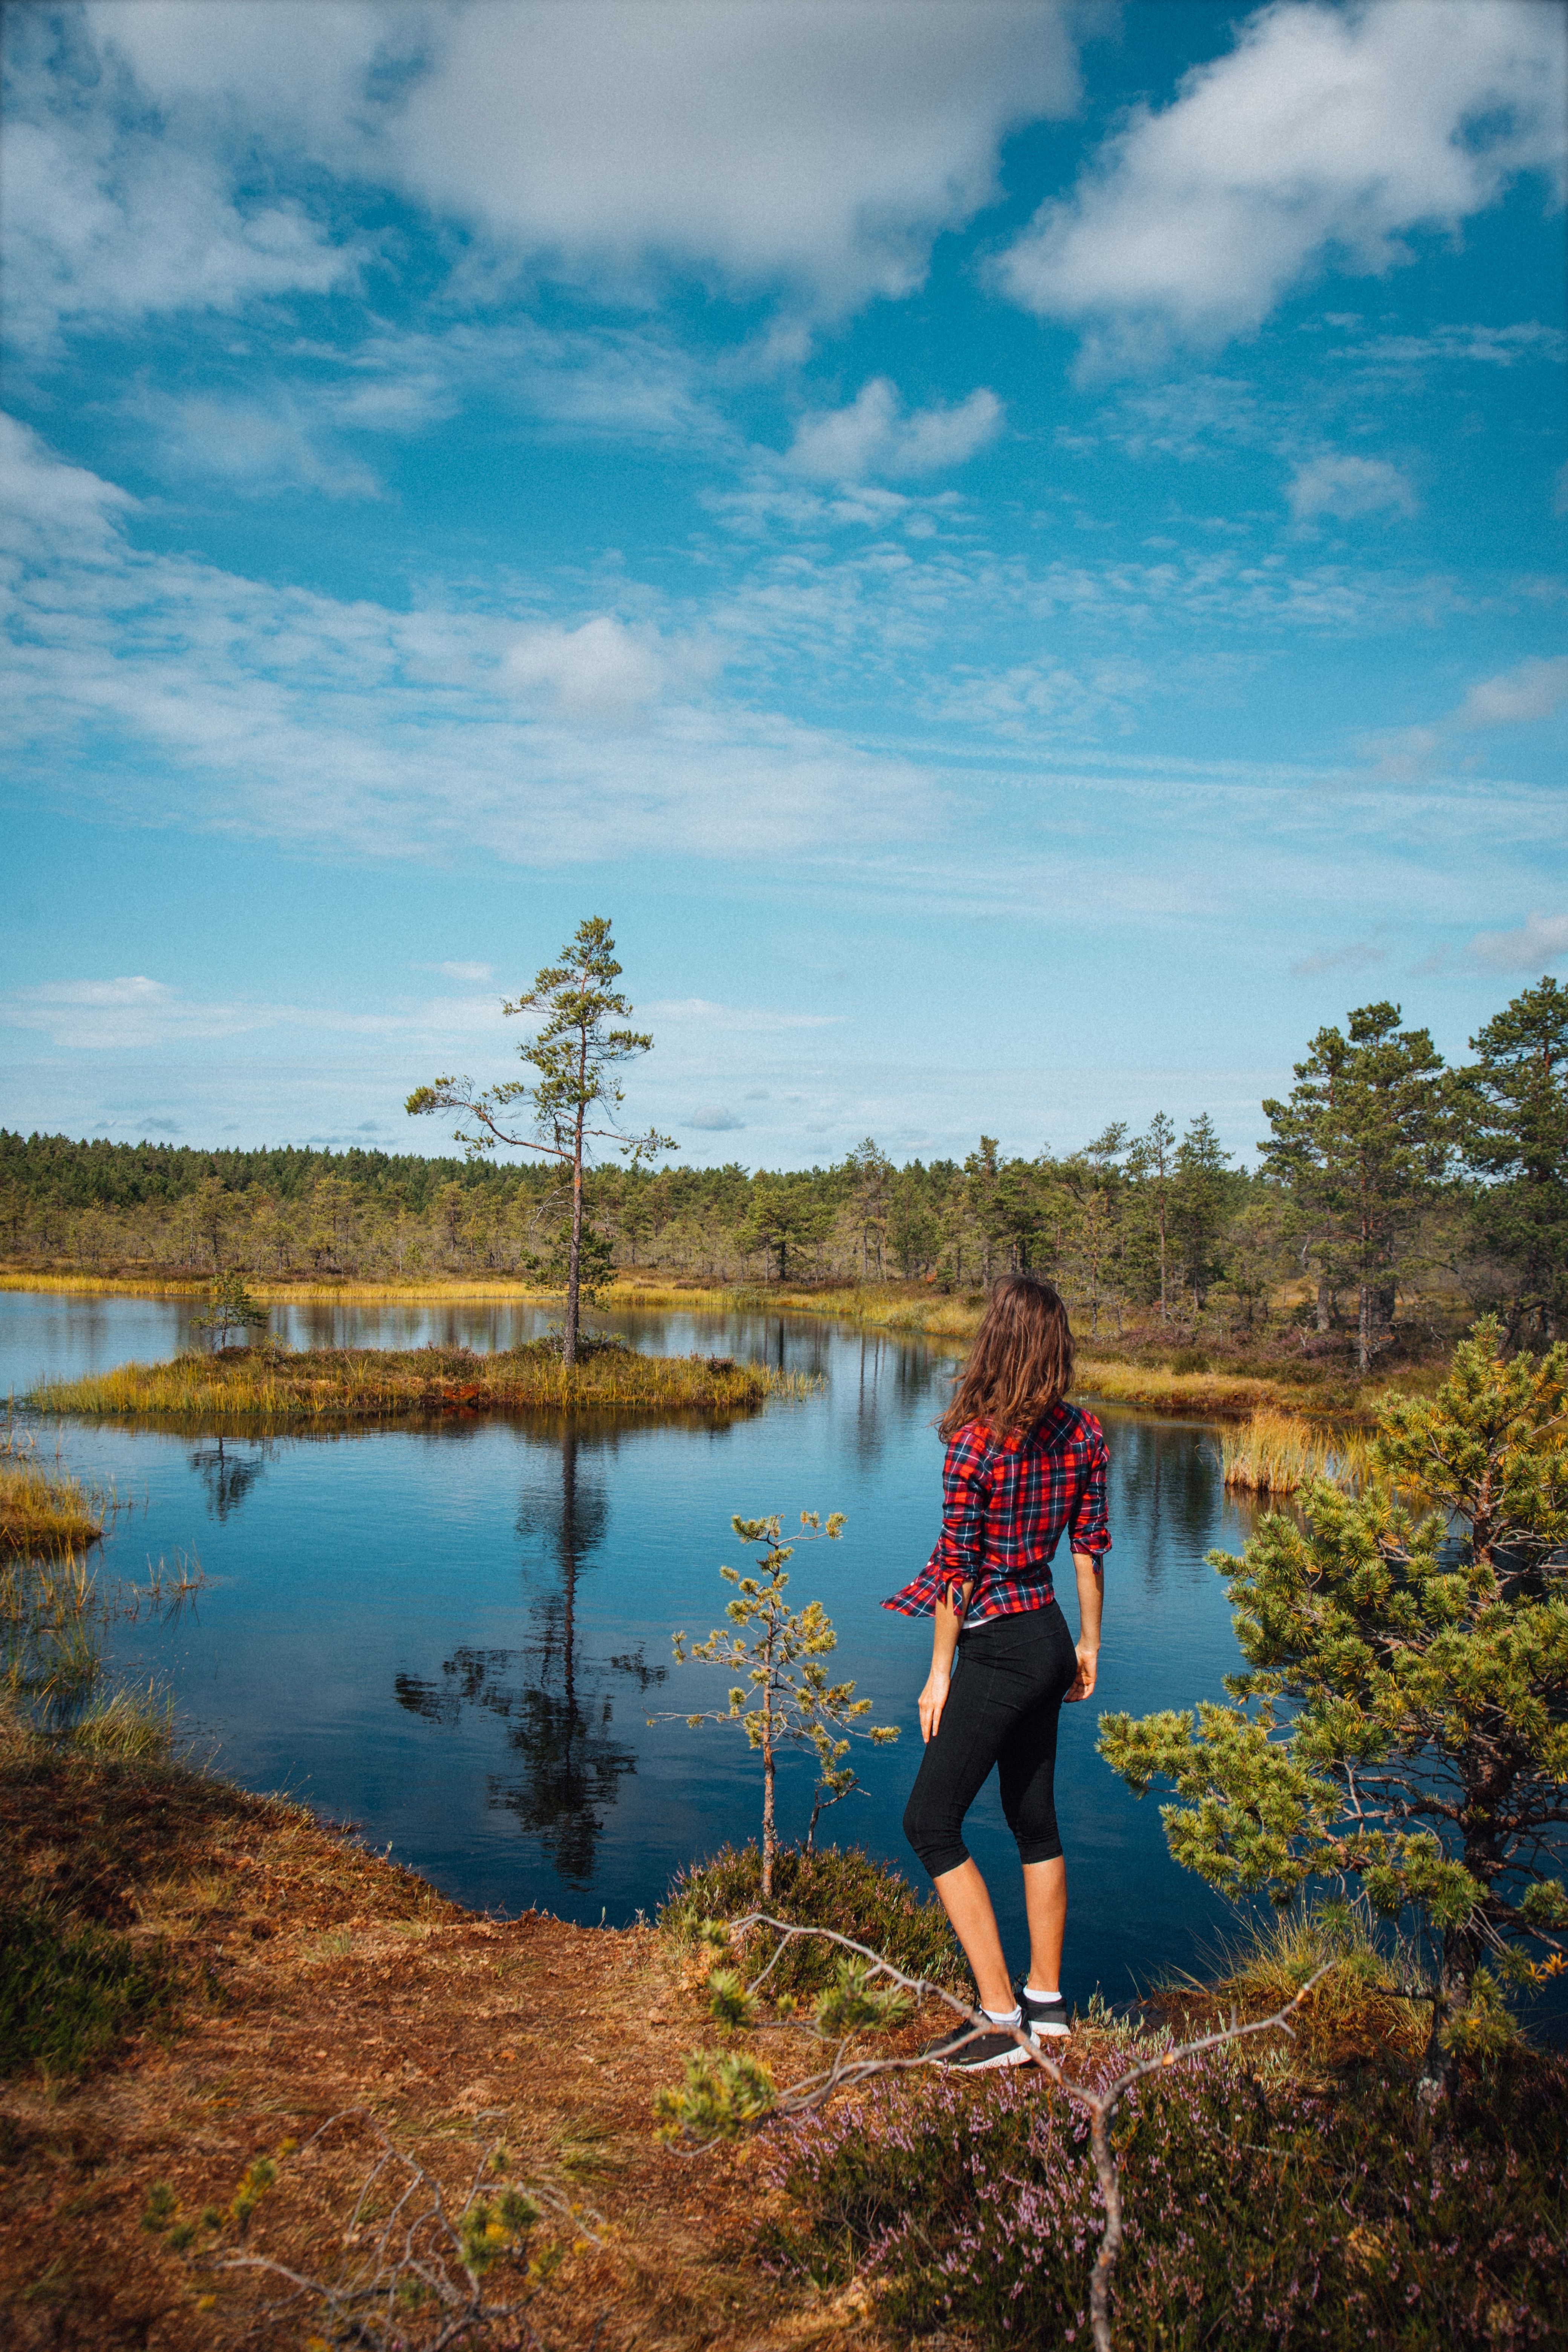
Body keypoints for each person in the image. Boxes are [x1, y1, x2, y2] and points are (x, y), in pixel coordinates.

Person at [884, 1274, 1109, 2069]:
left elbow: (958, 1572)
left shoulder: (974, 1442)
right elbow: (1087, 1551)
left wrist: (938, 1673)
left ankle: (998, 2019)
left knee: (929, 1822)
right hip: (1047, 1637)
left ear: (994, 1342)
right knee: (1033, 1818)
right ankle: (1046, 2007)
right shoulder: (1083, 1432)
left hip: (998, 1645)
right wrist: (1088, 1646)